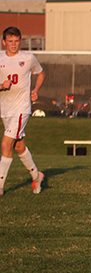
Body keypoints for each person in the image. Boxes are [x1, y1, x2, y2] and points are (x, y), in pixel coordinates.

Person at [0, 26, 45, 196]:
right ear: (4, 42)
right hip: (5, 109)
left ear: (20, 41)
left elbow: (40, 73)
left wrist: (35, 90)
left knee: (5, 144)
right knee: (18, 146)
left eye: (16, 41)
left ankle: (0, 187)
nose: (13, 44)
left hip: (22, 108)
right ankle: (36, 175)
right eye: (10, 41)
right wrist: (2, 86)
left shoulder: (28, 58)